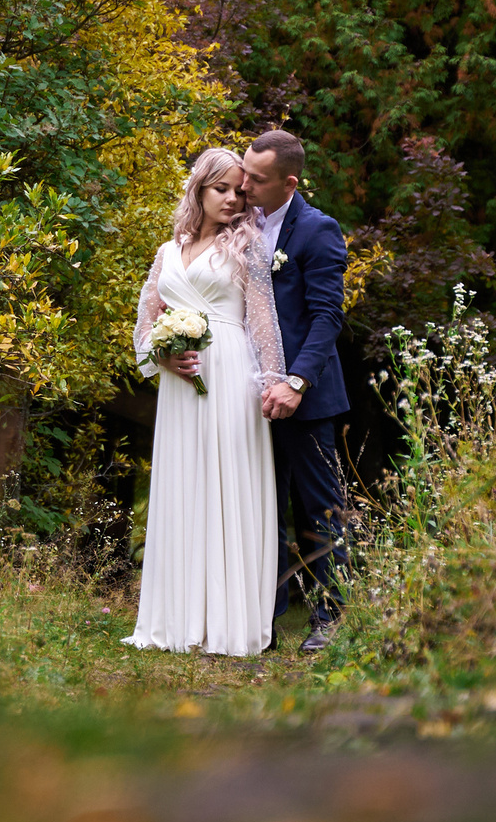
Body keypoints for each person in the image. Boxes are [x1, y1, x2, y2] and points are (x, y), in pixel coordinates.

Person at [126, 148, 289, 657]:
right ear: (198, 189)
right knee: (183, 486)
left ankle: (227, 620)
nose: (233, 199)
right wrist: (163, 356)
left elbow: (263, 321)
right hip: (181, 381)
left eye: (240, 191)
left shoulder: (247, 247)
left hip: (231, 374)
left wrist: (274, 382)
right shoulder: (167, 251)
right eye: (222, 189)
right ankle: (175, 619)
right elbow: (147, 323)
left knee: (227, 485)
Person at [238, 130, 352, 652]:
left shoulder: (317, 230)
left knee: (317, 507)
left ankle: (330, 617)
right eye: (244, 172)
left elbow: (328, 317)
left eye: (257, 179)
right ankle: (263, 620)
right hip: (248, 394)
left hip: (304, 399)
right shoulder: (240, 223)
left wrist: (297, 381)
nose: (244, 184)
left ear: (289, 182)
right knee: (259, 505)